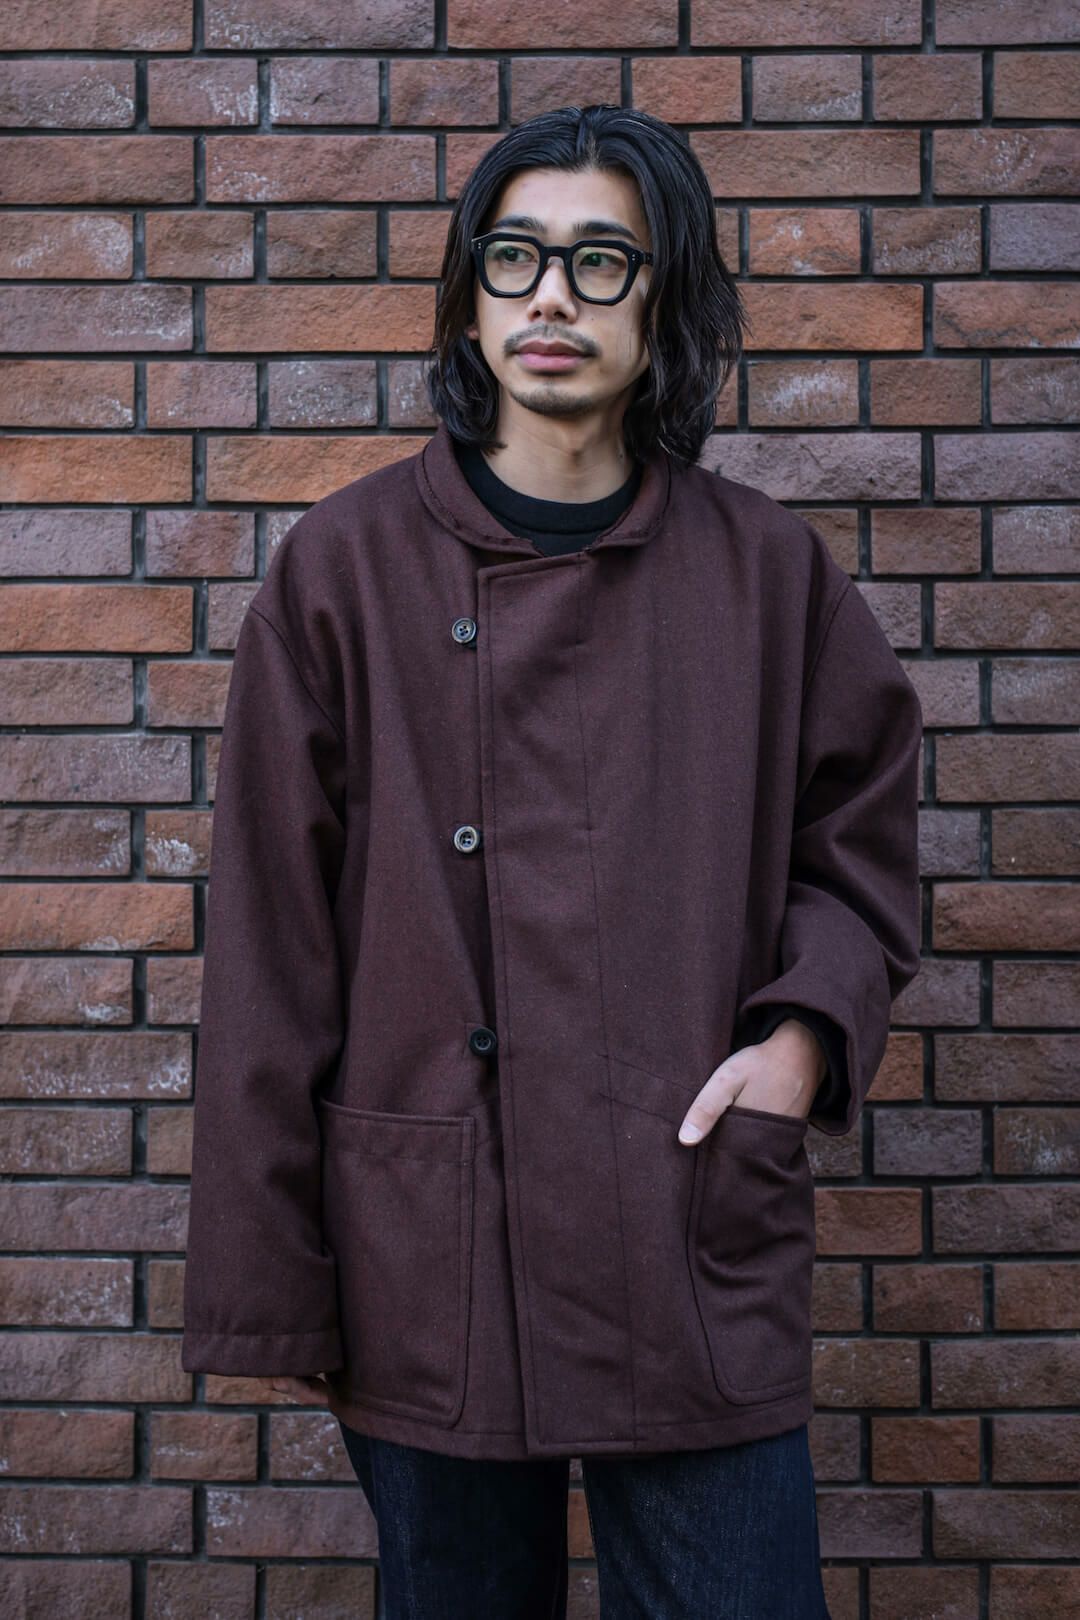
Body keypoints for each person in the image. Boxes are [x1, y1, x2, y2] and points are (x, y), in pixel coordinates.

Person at [181, 105, 922, 1618]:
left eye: (602, 261)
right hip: (426, 1240)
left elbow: (861, 848)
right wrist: (281, 1272)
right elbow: (270, 944)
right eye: (514, 257)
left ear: (665, 301)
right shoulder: (343, 570)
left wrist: (799, 1043)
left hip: (689, 1223)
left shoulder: (768, 574)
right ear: (469, 295)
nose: (553, 299)